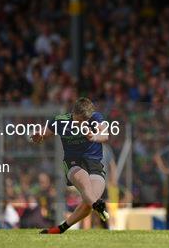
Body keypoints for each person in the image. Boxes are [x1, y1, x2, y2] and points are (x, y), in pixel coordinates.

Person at [30, 97, 110, 234]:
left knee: (89, 202)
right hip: (73, 163)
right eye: (80, 121)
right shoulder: (60, 121)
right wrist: (38, 136)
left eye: (86, 121)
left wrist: (94, 137)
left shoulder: (96, 117)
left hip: (94, 163)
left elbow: (105, 134)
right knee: (86, 187)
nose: (83, 124)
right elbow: (44, 133)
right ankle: (98, 206)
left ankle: (61, 228)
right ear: (73, 114)